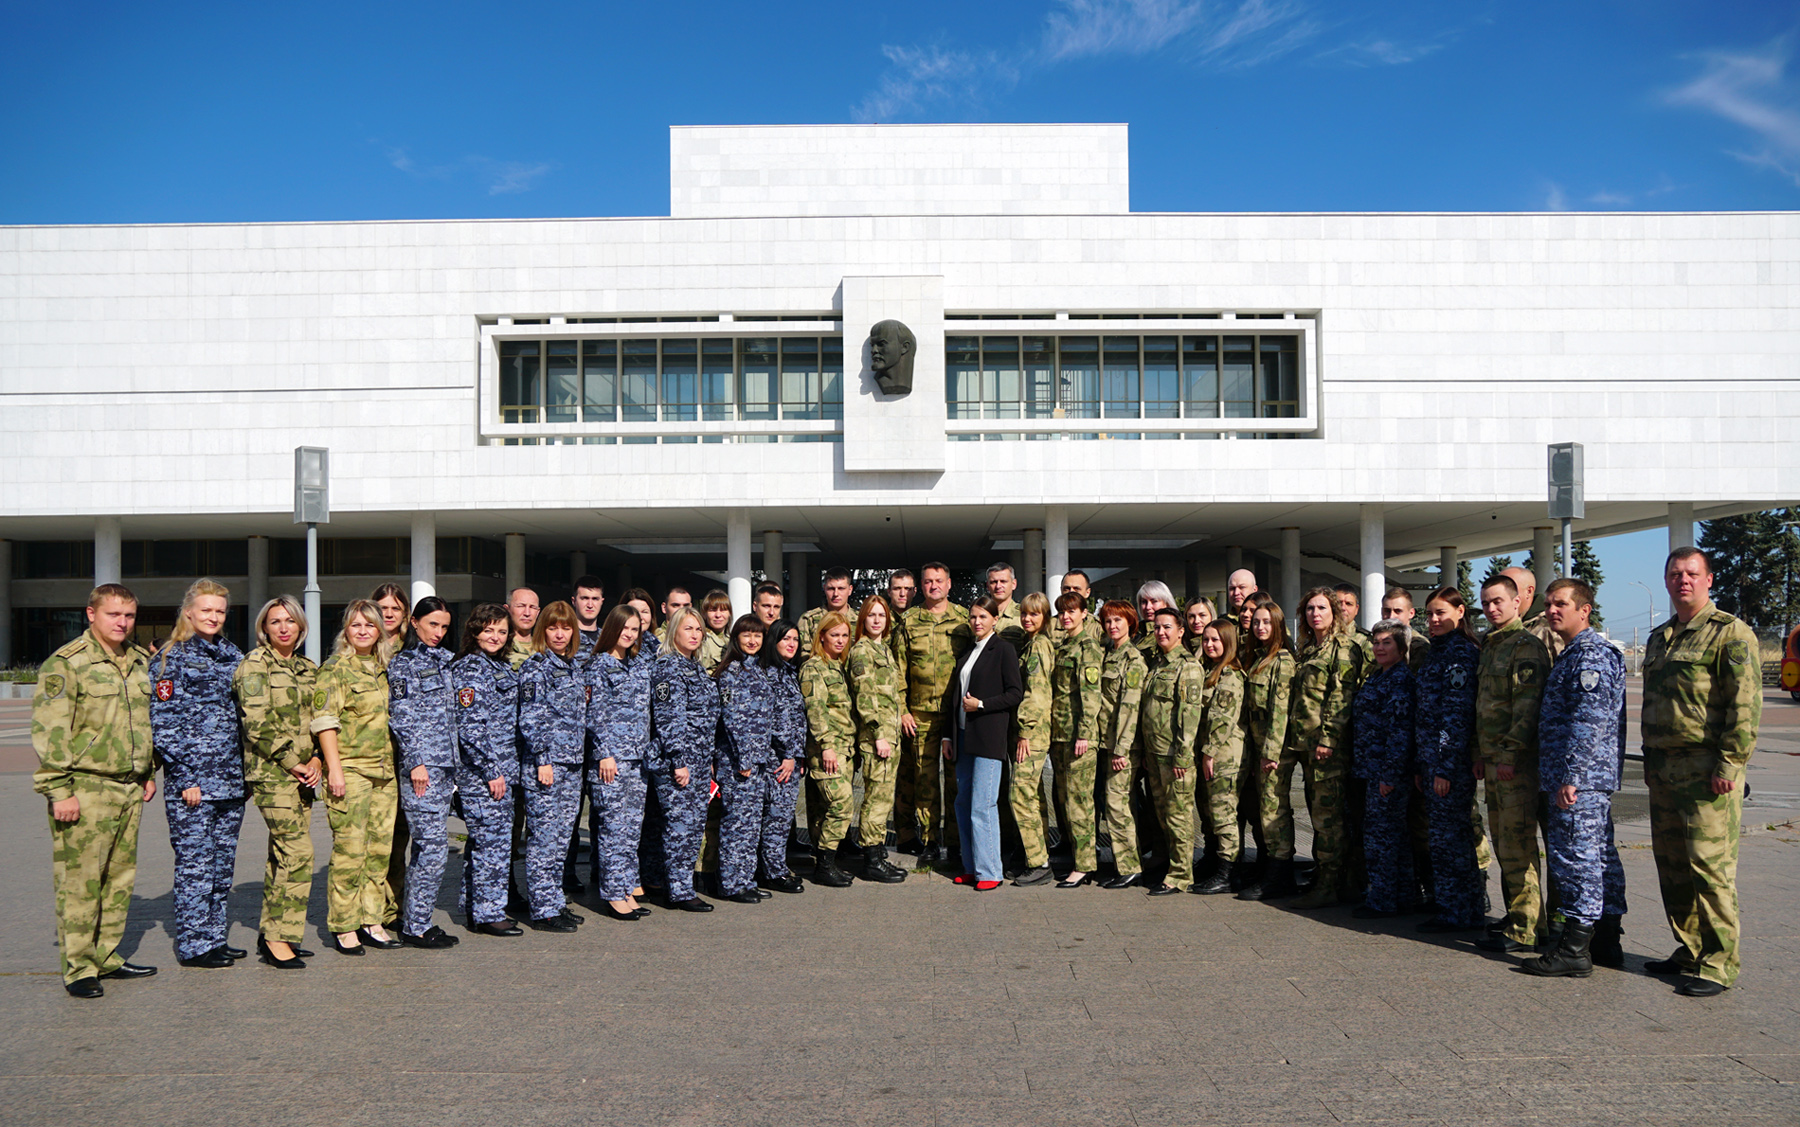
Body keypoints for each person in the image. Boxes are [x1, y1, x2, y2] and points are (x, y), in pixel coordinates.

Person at [1640, 547, 1762, 996]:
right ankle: (1690, 948)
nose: (1682, 581)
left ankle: (1720, 961)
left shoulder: (1729, 634)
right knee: (1672, 865)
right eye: (1674, 574)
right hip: (1665, 768)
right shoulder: (1660, 637)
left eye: (1692, 573)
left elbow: (1744, 706)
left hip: (1708, 770)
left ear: (1709, 579)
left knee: (1710, 868)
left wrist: (1731, 763)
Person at [35, 584, 159, 998]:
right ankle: (78, 967)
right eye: (113, 615)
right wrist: (58, 791)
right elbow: (51, 733)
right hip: (85, 788)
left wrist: (147, 772)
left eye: (128, 616)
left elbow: (144, 722)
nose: (122, 623)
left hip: (128, 787)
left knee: (118, 880)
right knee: (80, 882)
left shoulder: (140, 662)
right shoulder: (67, 664)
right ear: (91, 614)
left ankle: (106, 955)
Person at [1520, 578, 1628, 978]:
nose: (1551, 610)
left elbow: (1589, 721)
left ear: (1584, 610)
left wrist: (1571, 775)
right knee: (1598, 856)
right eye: (1548, 604)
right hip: (1581, 779)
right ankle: (1605, 940)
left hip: (1578, 781)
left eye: (1561, 603)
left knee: (1577, 858)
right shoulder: (1573, 654)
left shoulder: (1590, 656)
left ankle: (1576, 948)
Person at [148, 579, 245, 970]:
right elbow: (164, 723)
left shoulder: (232, 655)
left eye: (220, 611)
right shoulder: (171, 659)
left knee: (222, 868)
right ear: (188, 612)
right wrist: (187, 777)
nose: (213, 617)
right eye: (206, 610)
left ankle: (214, 938)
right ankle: (193, 946)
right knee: (195, 867)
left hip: (229, 782)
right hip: (193, 785)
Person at [235, 595, 323, 968]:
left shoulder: (307, 668)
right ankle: (278, 939)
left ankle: (277, 934)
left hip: (304, 773)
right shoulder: (254, 666)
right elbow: (255, 722)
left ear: (302, 628)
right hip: (273, 774)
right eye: (275, 622)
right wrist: (292, 762)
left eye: (290, 621)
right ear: (264, 628)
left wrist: (316, 757)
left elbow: (320, 716)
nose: (283, 627)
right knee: (299, 852)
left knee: (282, 856)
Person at [311, 600, 402, 954]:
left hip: (384, 771)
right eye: (355, 625)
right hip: (350, 770)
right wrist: (334, 768)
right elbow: (324, 721)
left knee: (378, 851)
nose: (363, 631)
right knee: (350, 850)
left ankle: (371, 919)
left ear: (380, 630)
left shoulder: (385, 667)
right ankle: (345, 924)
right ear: (345, 630)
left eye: (369, 625)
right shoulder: (336, 669)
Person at [1472, 574, 1553, 955]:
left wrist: (1508, 755)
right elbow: (1484, 707)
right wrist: (1480, 754)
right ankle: (1518, 916)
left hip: (1514, 764)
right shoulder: (1491, 645)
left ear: (1518, 602)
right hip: (1492, 761)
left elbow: (1527, 708)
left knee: (1518, 845)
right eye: (1486, 603)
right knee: (1504, 844)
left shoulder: (1526, 647)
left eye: (1498, 602)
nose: (1491, 608)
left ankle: (1526, 928)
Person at [387, 597, 460, 949]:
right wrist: (415, 761)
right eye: (433, 624)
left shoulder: (449, 662)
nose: (439, 633)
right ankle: (415, 924)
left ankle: (417, 918)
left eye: (445, 626)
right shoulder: (403, 664)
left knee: (430, 848)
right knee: (432, 847)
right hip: (423, 770)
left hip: (447, 768)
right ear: (414, 622)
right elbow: (401, 716)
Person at [1412, 587, 1486, 933]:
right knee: (1443, 839)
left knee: (1451, 841)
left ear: (1460, 611)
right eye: (1429, 614)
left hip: (1449, 765)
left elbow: (1456, 716)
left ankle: (1460, 912)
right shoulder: (1436, 652)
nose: (1434, 620)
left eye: (1441, 613)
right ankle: (1456, 908)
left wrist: (1443, 769)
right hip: (1431, 761)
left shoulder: (1460, 652)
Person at [1287, 587, 1364, 909]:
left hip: (1327, 750)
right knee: (1321, 817)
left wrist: (1328, 740)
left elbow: (1340, 699)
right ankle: (1330, 879)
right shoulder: (1309, 649)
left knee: (1328, 820)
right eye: (1309, 609)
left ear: (1334, 612)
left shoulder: (1342, 648)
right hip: (1306, 746)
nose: (1314, 614)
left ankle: (1330, 885)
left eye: (1321, 608)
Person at [715, 615, 799, 902]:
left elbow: (774, 716)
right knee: (736, 824)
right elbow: (732, 721)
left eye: (758, 636)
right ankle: (731, 884)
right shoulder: (731, 673)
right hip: (740, 764)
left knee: (750, 826)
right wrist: (746, 761)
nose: (752, 641)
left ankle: (746, 879)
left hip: (760, 762)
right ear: (736, 638)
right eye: (746, 635)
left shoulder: (759, 671)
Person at [451, 604, 524, 937]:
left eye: (502, 631)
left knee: (482, 843)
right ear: (475, 631)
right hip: (485, 775)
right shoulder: (470, 669)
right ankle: (489, 913)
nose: (495, 637)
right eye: (488, 630)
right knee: (492, 844)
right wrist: (492, 770)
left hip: (503, 770)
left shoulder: (502, 667)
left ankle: (474, 906)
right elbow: (470, 728)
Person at [515, 601, 588, 932]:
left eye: (566, 628)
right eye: (553, 627)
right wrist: (542, 758)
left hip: (571, 766)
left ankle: (555, 901)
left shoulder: (571, 667)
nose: (560, 634)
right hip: (547, 766)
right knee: (544, 840)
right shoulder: (536, 668)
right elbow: (531, 717)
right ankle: (543, 910)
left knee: (561, 840)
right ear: (543, 631)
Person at [894, 562, 972, 866]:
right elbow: (898, 670)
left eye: (939, 581)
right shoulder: (909, 621)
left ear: (949, 584)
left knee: (956, 782)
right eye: (928, 582)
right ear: (921, 587)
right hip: (920, 716)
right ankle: (929, 841)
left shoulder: (965, 620)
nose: (933, 586)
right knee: (925, 782)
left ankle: (955, 844)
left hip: (955, 714)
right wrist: (902, 710)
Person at [943, 598, 1024, 890]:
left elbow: (1015, 693)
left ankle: (990, 871)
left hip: (988, 737)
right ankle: (971, 865)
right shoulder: (968, 652)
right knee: (963, 803)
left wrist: (982, 704)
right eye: (973, 617)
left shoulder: (1003, 650)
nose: (977, 622)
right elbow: (954, 697)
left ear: (994, 619)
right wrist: (948, 736)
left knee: (983, 804)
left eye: (982, 617)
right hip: (964, 738)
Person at [645, 607, 720, 912]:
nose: (694, 634)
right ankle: (678, 890)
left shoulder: (696, 668)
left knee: (690, 826)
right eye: (687, 628)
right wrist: (678, 761)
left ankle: (670, 883)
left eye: (698, 630)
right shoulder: (668, 667)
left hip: (699, 760)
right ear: (673, 631)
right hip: (678, 762)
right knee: (680, 827)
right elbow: (668, 719)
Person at [587, 606, 653, 921]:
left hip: (637, 761)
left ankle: (627, 888)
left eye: (635, 629)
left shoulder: (639, 665)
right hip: (610, 762)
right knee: (613, 829)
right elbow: (595, 714)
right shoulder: (598, 666)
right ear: (613, 628)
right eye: (624, 628)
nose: (629, 634)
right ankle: (613, 894)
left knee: (631, 831)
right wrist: (603, 753)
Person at [1349, 619, 1417, 918]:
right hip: (1371, 768)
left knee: (1381, 839)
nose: (1379, 647)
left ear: (1402, 648)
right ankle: (1402, 897)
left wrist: (1389, 775)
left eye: (1386, 642)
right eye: (1376, 642)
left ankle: (1383, 900)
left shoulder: (1400, 681)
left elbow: (1400, 733)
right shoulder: (1378, 676)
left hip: (1386, 774)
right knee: (1393, 837)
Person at [1137, 608, 1204, 896]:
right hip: (1155, 753)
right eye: (1156, 628)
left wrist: (1183, 756)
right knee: (1164, 814)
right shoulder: (1157, 664)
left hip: (1175, 756)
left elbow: (1189, 717)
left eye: (1166, 627)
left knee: (1179, 815)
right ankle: (1170, 866)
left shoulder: (1187, 666)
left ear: (1180, 631)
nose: (1160, 632)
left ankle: (1180, 875)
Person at [1236, 598, 1297, 901]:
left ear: (1278, 626)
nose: (1260, 627)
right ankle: (1270, 869)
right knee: (1265, 810)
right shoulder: (1258, 658)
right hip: (1257, 748)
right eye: (1256, 622)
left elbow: (1280, 710)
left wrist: (1271, 753)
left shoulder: (1282, 661)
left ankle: (1280, 875)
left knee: (1275, 810)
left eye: (1266, 622)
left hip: (1274, 751)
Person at [846, 597, 907, 883]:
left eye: (881, 615)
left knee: (884, 797)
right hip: (877, 739)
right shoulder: (861, 651)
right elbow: (865, 696)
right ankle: (871, 859)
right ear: (863, 620)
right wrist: (879, 734)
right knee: (876, 799)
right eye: (871, 615)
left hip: (891, 737)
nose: (877, 620)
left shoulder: (883, 649)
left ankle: (878, 851)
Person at [1049, 592, 1105, 888]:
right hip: (1060, 735)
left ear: (1085, 613)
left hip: (1077, 738)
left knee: (1079, 803)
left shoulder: (1088, 647)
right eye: (1062, 612)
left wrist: (1084, 732)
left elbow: (1090, 694)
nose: (1066, 617)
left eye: (1071, 611)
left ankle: (1085, 865)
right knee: (1064, 800)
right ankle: (1077, 858)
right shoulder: (1065, 645)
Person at [801, 611, 858, 886]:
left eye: (845, 635)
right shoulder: (814, 667)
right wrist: (826, 746)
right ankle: (824, 865)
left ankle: (825, 862)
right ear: (821, 635)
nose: (840, 640)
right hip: (828, 750)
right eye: (834, 635)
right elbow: (816, 709)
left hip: (843, 749)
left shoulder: (838, 665)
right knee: (842, 804)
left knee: (824, 809)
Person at [1192, 621, 1247, 896]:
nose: (1209, 645)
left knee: (1224, 814)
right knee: (1210, 812)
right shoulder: (1210, 671)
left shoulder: (1230, 676)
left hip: (1223, 755)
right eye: (1206, 640)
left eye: (1216, 640)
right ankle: (1216, 864)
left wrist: (1210, 751)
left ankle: (1228, 872)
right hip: (1209, 753)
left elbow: (1222, 719)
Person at [1096, 601, 1148, 888]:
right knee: (1116, 803)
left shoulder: (1133, 660)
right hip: (1106, 742)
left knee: (1117, 805)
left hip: (1121, 746)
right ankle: (1126, 861)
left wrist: (1122, 749)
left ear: (1130, 623)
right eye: (1108, 621)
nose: (1112, 626)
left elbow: (1130, 707)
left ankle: (1130, 867)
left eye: (1118, 620)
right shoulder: (1107, 654)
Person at [1008, 592, 1057, 886]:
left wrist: (1024, 731)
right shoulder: (1031, 643)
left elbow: (1036, 695)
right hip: (1032, 733)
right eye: (1024, 614)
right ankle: (1035, 856)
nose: (1027, 619)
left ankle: (1039, 862)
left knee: (1021, 794)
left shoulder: (1039, 646)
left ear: (1044, 617)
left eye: (1034, 614)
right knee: (1034, 796)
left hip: (1033, 734)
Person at [760, 619, 809, 894]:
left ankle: (774, 867)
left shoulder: (788, 671)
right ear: (774, 642)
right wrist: (790, 755)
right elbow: (777, 720)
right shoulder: (771, 673)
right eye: (785, 639)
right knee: (777, 818)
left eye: (795, 639)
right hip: (778, 760)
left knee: (781, 816)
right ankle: (774, 873)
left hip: (790, 759)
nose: (792, 644)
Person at [1504, 565, 1566, 663]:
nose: (1502, 593)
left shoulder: (1550, 627)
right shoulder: (1497, 630)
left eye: (1509, 588)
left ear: (1528, 591)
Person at [798, 568, 854, 645]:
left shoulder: (862, 619)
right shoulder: (809, 619)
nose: (836, 594)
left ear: (850, 590)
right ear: (824, 588)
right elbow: (804, 654)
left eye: (841, 588)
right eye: (831, 589)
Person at [1381, 588, 1432, 669]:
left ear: (1411, 613)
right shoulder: (1377, 641)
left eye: (1398, 611)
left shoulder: (1418, 645)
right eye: (1387, 611)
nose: (1391, 616)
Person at [985, 563, 1024, 650]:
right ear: (987, 586)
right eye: (994, 582)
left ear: (1014, 584)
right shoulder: (978, 615)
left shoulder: (1024, 615)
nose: (998, 586)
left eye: (1003, 581)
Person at [1133, 581, 1175, 659]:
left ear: (1166, 603)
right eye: (1144, 602)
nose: (1148, 607)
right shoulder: (1134, 632)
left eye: (1154, 601)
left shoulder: (1174, 631)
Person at [1061, 569, 1105, 644]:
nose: (1071, 592)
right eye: (1067, 589)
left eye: (1076, 589)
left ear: (1087, 592)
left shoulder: (1099, 628)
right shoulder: (1049, 627)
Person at [504, 587, 540, 669]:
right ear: (507, 609)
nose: (527, 613)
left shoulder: (545, 648)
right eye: (521, 606)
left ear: (538, 612)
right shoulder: (499, 647)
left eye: (532, 607)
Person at [698, 589, 733, 671]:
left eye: (723, 610)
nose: (718, 615)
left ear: (729, 613)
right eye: (712, 610)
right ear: (704, 613)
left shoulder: (732, 639)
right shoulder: (700, 639)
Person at [622, 588, 661, 659]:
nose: (640, 617)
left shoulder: (657, 645)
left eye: (644, 612)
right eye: (634, 611)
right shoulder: (619, 646)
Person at [572, 574, 607, 651]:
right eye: (585, 598)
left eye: (595, 599)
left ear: (602, 602)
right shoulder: (563, 638)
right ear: (574, 601)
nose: (590, 605)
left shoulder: (609, 639)